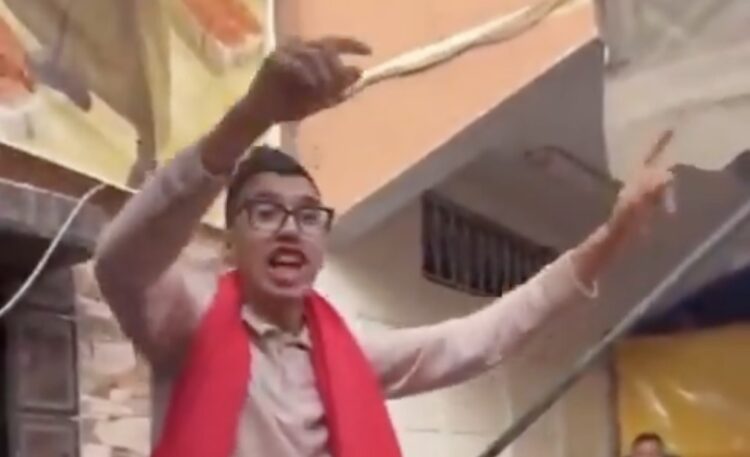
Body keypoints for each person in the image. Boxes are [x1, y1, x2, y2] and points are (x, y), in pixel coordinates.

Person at [93, 36, 674, 457]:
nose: (290, 228)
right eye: (265, 212)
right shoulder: (184, 327)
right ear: (230, 247)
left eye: (308, 216)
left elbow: (483, 337)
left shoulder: (346, 358)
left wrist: (612, 236)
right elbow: (120, 262)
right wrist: (250, 116)